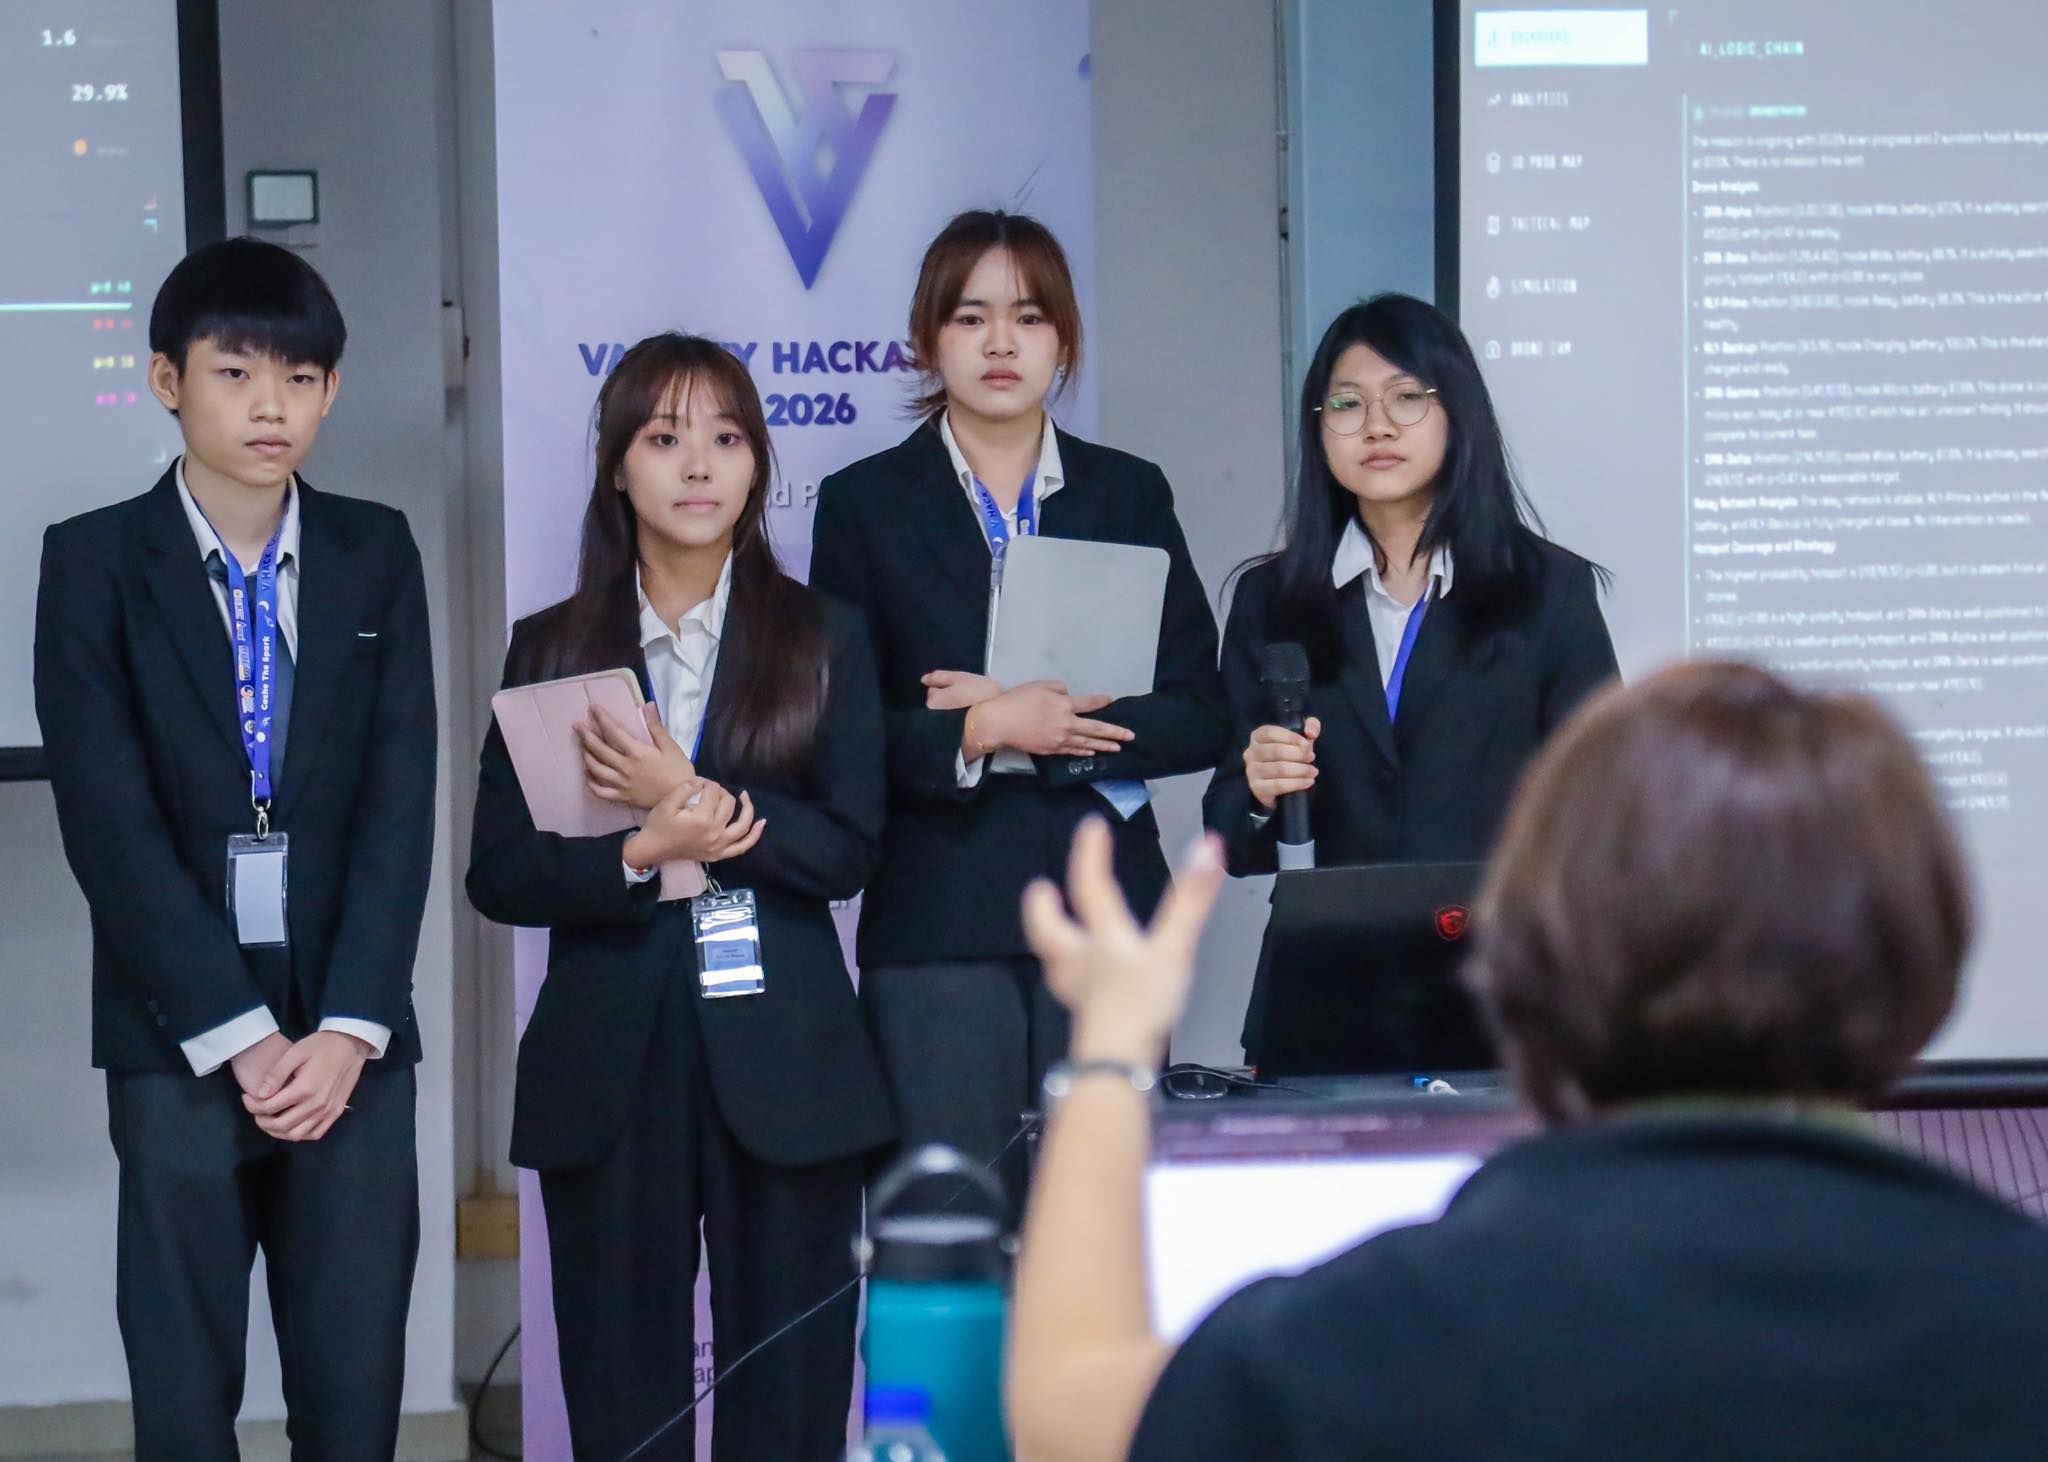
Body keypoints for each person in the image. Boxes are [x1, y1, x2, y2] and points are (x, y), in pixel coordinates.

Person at [1007, 662, 2048, 1462]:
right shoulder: (2014, 1307)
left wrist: (1110, 1052)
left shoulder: (1410, 1316)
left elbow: (1070, 1414)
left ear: (1532, 958)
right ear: (1925, 967)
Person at [32, 237, 435, 1460]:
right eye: (236, 372)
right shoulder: (94, 560)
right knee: (183, 1396)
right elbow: (109, 827)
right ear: (167, 379)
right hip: (177, 1039)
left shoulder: (376, 549)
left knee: (354, 1398)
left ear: (331, 390)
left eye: (301, 378)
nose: (271, 405)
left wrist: (351, 1025)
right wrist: (241, 1035)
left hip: (349, 1044)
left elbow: (400, 802)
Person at [466, 332, 895, 1461]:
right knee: (622, 1401)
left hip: (788, 1062)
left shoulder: (824, 637)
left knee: (791, 1398)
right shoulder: (550, 648)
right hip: (610, 1061)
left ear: (756, 465)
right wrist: (638, 851)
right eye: (663, 439)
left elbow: (850, 848)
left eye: (725, 437)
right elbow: (498, 870)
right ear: (618, 466)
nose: (698, 464)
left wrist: (694, 800)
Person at [810, 209, 1227, 1202]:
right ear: (927, 339)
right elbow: (839, 732)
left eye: (1029, 317)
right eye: (970, 317)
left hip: (1105, 913)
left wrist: (1049, 732)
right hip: (938, 917)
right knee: (946, 1226)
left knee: (1103, 1222)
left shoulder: (1127, 493)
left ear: (1064, 340)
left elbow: (1201, 710)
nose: (1001, 342)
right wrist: (979, 730)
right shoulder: (865, 503)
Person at [1201, 293, 1618, 1063]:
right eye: (1348, 404)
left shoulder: (1548, 592)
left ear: (1457, 414)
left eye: (1406, 398)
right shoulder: (1272, 600)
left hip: (1505, 989)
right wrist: (1257, 792)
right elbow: (1230, 838)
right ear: (1318, 426)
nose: (1377, 426)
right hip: (1324, 992)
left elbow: (1603, 807)